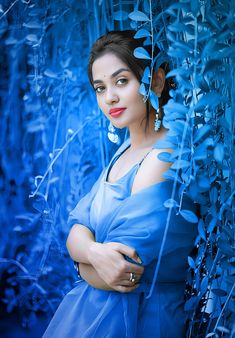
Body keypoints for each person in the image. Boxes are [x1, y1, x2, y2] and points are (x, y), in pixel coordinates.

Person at [43, 30, 198, 338]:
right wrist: (93, 252)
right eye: (100, 88)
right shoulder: (124, 152)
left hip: (139, 321)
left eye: (121, 81)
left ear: (155, 81)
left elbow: (123, 271)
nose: (109, 97)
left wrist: (82, 257)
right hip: (95, 315)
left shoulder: (164, 156)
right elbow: (77, 226)